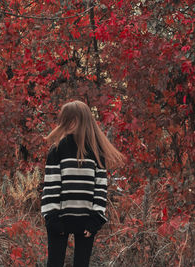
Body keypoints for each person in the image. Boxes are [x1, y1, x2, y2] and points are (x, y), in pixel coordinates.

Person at [41, 100, 126, 267]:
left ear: (83, 120)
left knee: (82, 263)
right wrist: (52, 218)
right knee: (54, 263)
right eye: (66, 119)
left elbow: (100, 189)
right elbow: (51, 186)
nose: (68, 124)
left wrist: (95, 219)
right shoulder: (57, 149)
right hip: (59, 218)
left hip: (87, 220)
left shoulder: (96, 151)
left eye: (72, 119)